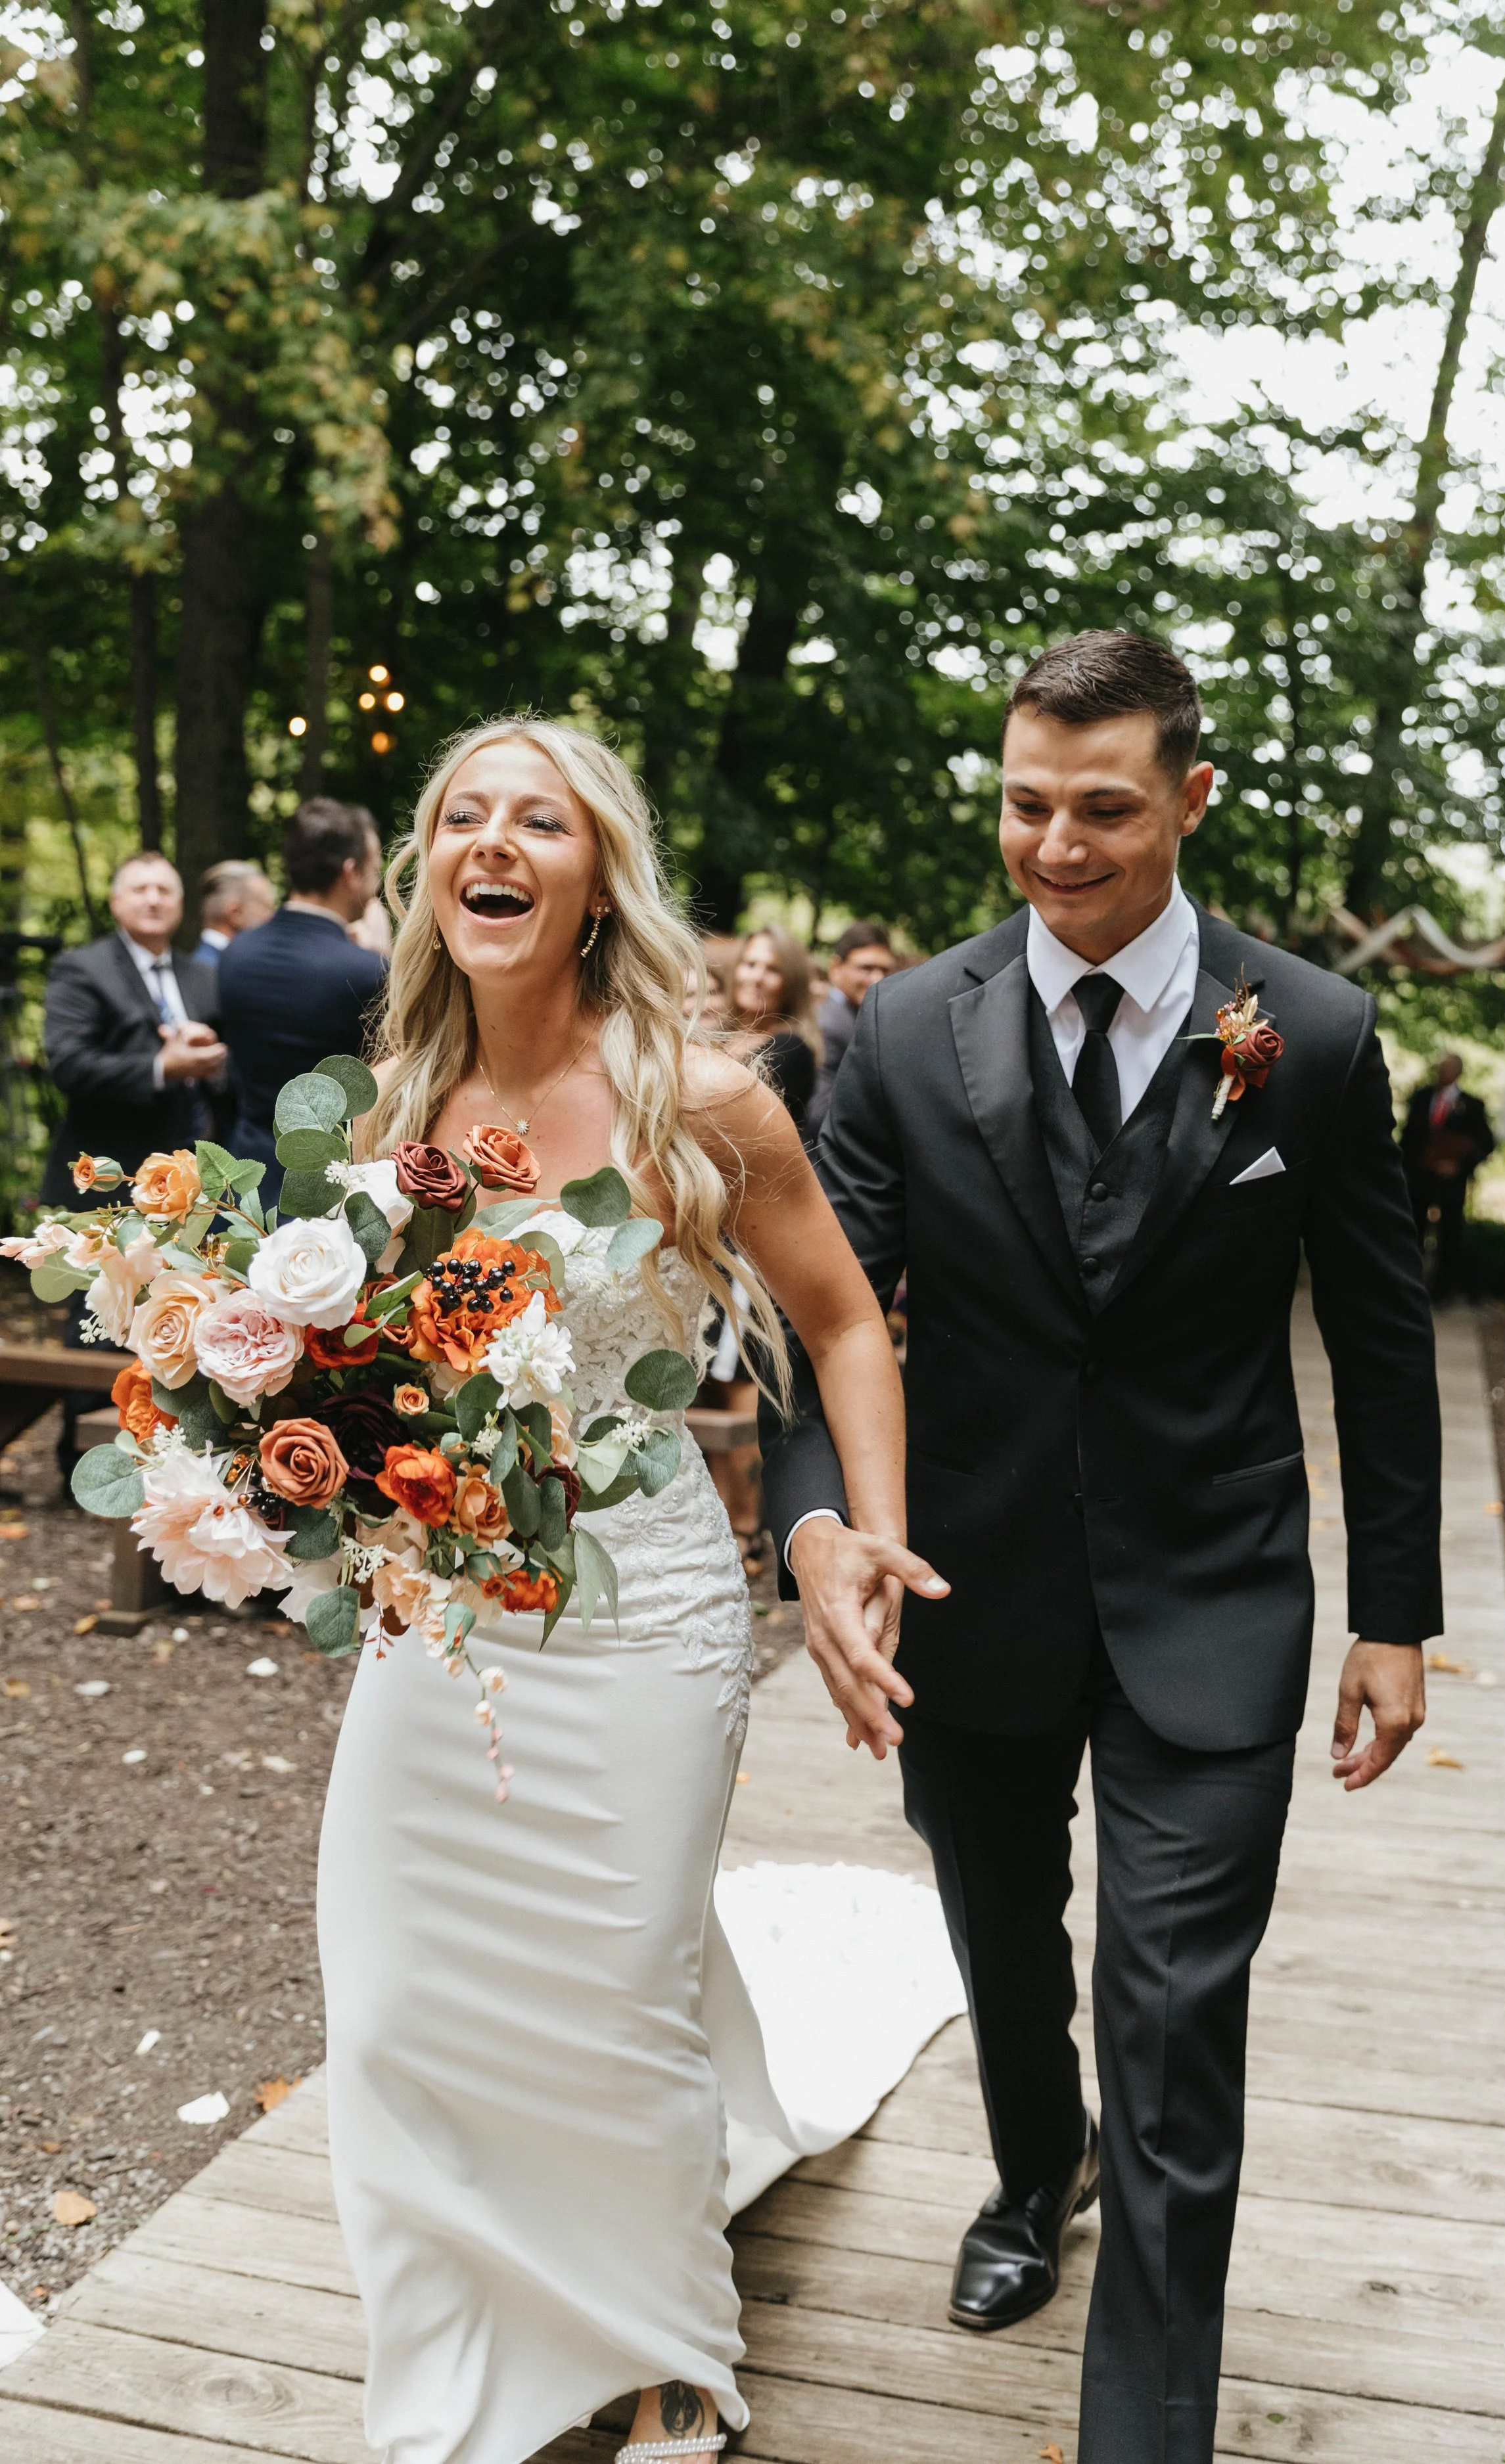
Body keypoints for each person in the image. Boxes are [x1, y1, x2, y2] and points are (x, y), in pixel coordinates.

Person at [759, 628, 1442, 2464]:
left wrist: (1397, 1610)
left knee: (1173, 2017)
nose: (1055, 844)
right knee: (1001, 1938)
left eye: (1102, 809)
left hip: (1213, 1592)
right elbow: (820, 1314)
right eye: (1023, 803)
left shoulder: (1304, 1031)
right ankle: (1022, 2167)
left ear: (1190, 798)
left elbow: (1379, 1333)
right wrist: (820, 1520)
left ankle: (1148, 2424)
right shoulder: (904, 1027)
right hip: (962, 1586)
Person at [317, 718, 948, 2464]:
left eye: (541, 818)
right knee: (384, 2006)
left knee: (618, 1993)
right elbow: (371, 1358)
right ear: (429, 868)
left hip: (644, 1617)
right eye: (464, 816)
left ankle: (668, 2344)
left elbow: (839, 1319)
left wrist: (863, 1533)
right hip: (442, 1609)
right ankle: (452, 2325)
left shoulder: (701, 1090)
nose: (495, 840)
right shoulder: (396, 1092)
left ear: (595, 876)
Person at [40, 852, 227, 1476]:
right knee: (97, 1314)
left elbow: (227, 1070)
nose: (152, 899)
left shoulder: (203, 978)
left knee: (175, 1312)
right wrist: (159, 1068)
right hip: (104, 1180)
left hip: (188, 1182)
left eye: (164, 890)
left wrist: (211, 1062)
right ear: (117, 902)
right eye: (139, 889)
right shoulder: (83, 968)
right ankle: (87, 1462)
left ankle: (162, 1459)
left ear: (181, 905)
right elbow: (68, 1064)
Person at [216, 798, 388, 1179]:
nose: (376, 883)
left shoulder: (234, 955)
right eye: (375, 869)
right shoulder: (366, 971)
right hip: (330, 1182)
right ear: (350, 872)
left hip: (245, 1172)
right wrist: (383, 957)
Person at [1401, 1053, 1494, 1301]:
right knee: (1413, 1231)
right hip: (1420, 1180)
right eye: (1440, 1068)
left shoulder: (1472, 1105)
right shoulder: (1421, 1098)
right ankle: (1410, 1286)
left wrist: (1458, 1166)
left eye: (1447, 1069)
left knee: (1449, 1236)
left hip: (1451, 1184)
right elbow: (1408, 1138)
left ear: (1458, 1073)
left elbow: (1485, 1144)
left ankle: (1442, 1292)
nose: (1441, 1073)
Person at [726, 925, 820, 1137]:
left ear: (792, 984)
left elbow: (736, 1117)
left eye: (773, 970)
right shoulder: (718, 1034)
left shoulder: (791, 1048)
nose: (757, 978)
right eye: (750, 964)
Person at [807, 920, 896, 1137]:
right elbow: (819, 1112)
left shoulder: (856, 1018)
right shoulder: (829, 1025)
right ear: (836, 967)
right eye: (866, 968)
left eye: (885, 970)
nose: (877, 979)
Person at [194, 859, 277, 959]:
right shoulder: (221, 970)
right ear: (235, 913)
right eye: (266, 907)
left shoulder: (201, 963)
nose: (272, 917)